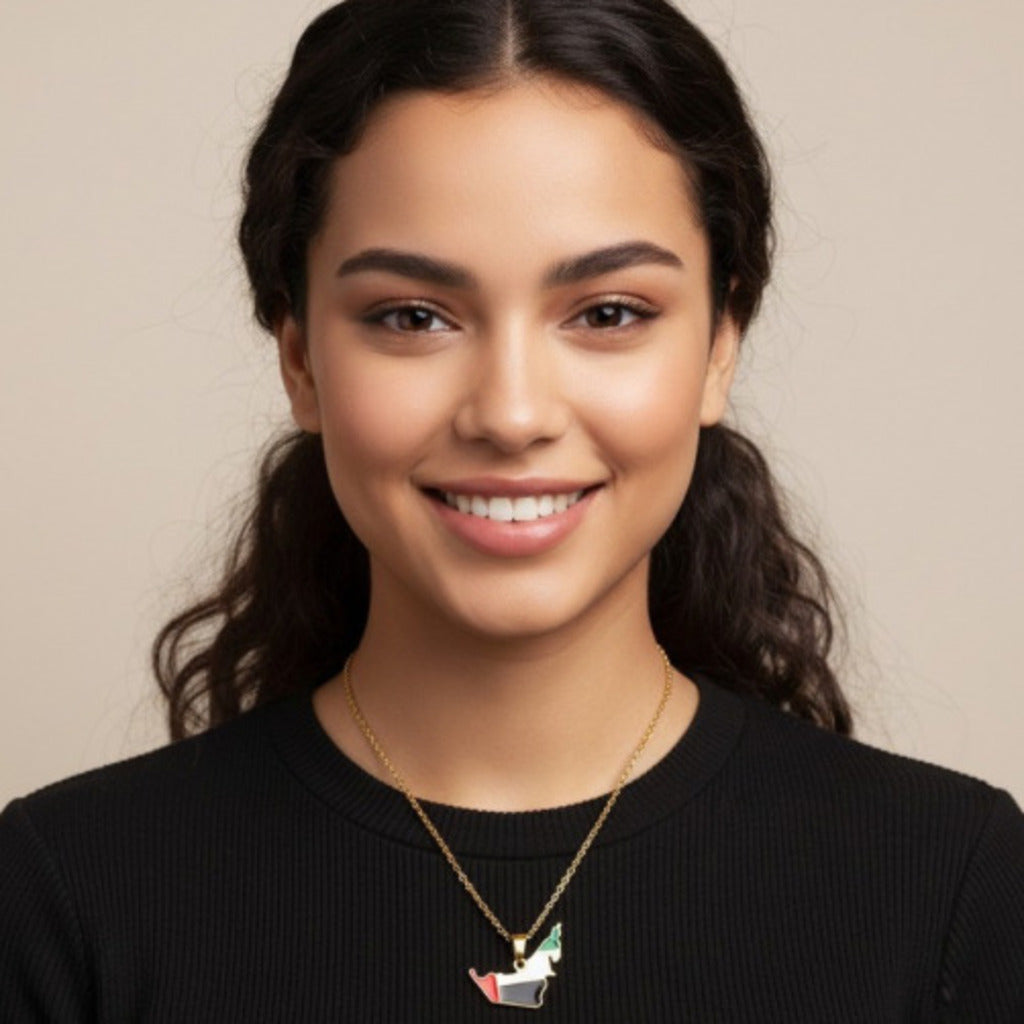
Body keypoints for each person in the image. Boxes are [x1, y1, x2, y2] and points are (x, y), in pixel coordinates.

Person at [2, 0, 1022, 1019]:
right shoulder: (66, 896)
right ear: (300, 359)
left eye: (608, 312)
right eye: (413, 316)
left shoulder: (954, 886)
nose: (512, 413)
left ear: (720, 346)